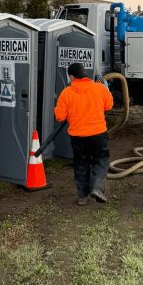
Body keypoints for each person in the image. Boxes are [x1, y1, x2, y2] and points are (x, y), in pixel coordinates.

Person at [54, 63, 113, 205]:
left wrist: (59, 109)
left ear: (72, 77)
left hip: (78, 136)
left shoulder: (66, 93)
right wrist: (106, 89)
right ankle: (97, 188)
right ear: (85, 74)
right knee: (100, 160)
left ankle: (82, 197)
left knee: (81, 164)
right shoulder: (99, 88)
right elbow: (109, 106)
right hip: (98, 134)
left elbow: (60, 117)